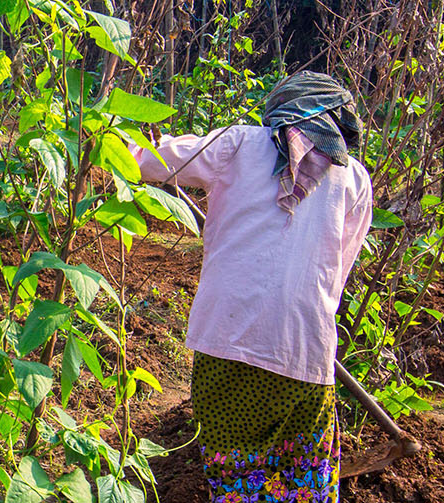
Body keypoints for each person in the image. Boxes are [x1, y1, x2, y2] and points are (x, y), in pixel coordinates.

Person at [132, 71, 374, 502]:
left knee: (235, 471)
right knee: (301, 476)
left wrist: (107, 138)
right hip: (305, 352)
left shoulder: (240, 143)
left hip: (227, 341)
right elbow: (337, 275)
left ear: (279, 111)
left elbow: (151, 160)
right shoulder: (354, 178)